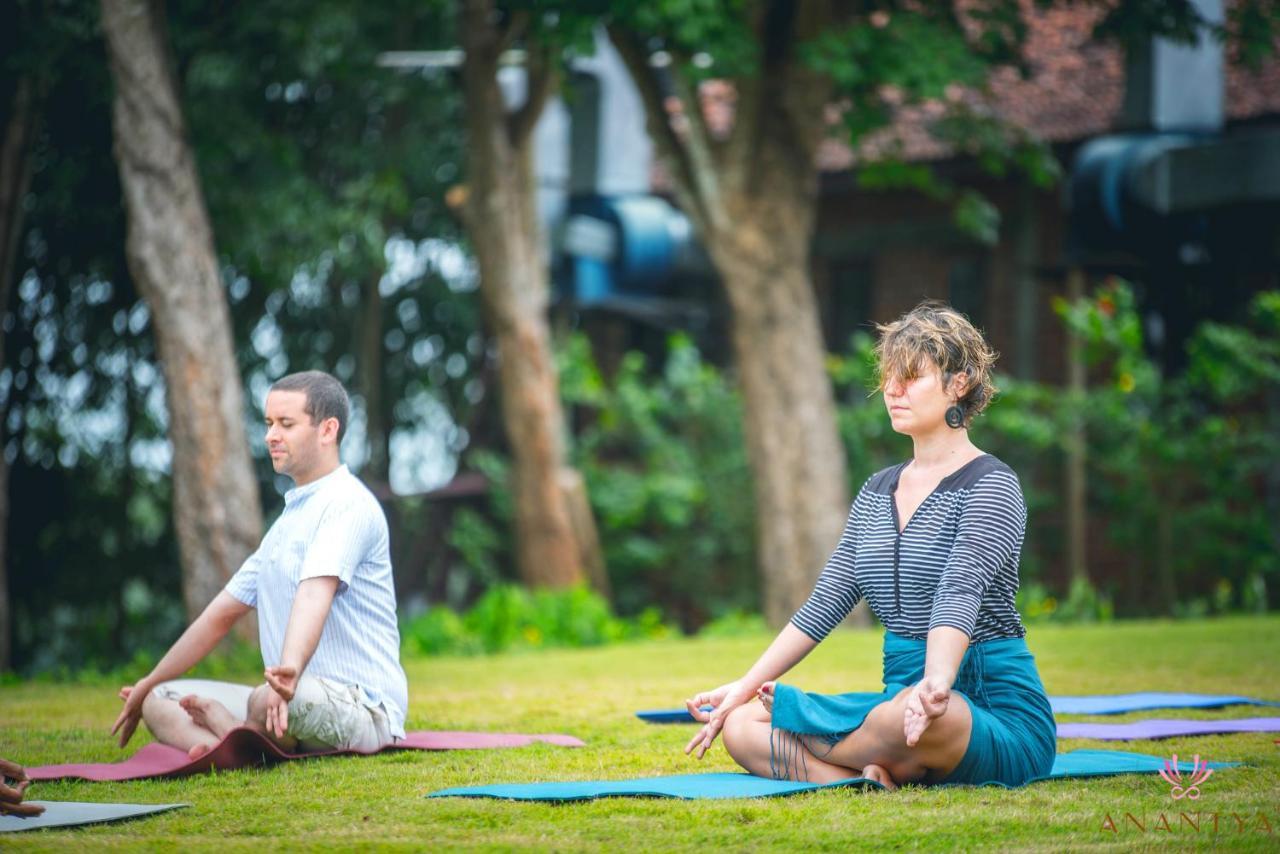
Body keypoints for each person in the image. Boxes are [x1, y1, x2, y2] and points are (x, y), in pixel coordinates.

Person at [684, 302, 1055, 790]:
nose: (892, 390)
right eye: (888, 378)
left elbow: (959, 589)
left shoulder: (992, 485)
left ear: (959, 383)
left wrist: (937, 683)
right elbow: (825, 602)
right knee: (741, 724)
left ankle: (869, 754)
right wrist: (744, 686)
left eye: (911, 377)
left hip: (982, 715)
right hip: (898, 712)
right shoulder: (877, 491)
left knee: (911, 717)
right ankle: (865, 776)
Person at [112, 371, 408, 758]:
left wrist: (289, 669)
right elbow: (220, 614)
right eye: (269, 424)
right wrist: (150, 680)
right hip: (283, 701)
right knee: (157, 698)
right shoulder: (287, 523)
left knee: (266, 699)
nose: (271, 435)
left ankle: (234, 736)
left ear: (327, 430)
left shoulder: (347, 504)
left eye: (286, 424)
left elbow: (313, 596)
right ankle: (235, 745)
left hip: (362, 709)